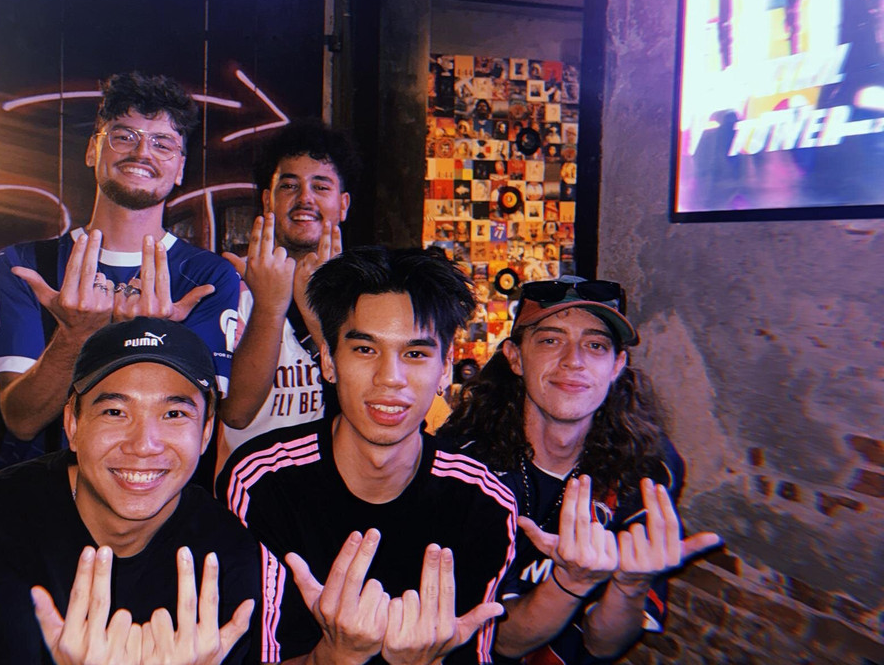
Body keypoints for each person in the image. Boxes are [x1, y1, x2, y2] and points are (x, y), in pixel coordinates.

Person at [218, 247, 517, 665]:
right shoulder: (263, 482)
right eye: (365, 350)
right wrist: (334, 656)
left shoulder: (482, 500)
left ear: (446, 366)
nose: (390, 378)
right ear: (328, 360)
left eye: (415, 354)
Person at [0, 71, 240, 469]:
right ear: (93, 150)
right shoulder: (24, 266)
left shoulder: (209, 278)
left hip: (150, 490)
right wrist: (73, 336)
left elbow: (197, 421)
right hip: (45, 494)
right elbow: (22, 421)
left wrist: (150, 338)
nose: (142, 153)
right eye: (124, 136)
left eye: (162, 143)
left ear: (180, 168)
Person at [439, 276, 720, 663]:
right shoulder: (460, 468)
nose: (574, 360)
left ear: (617, 365)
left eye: (596, 345)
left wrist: (631, 586)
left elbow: (605, 645)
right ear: (515, 357)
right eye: (550, 341)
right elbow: (500, 641)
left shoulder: (644, 470)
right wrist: (571, 582)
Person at [0, 317, 261, 664]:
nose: (143, 445)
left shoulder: (226, 550)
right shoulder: (4, 514)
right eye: (115, 412)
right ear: (73, 424)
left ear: (205, 432)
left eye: (174, 414)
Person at [216, 122, 359, 467]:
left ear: (343, 204)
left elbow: (365, 403)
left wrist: (317, 313)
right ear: (268, 200)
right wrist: (269, 306)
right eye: (290, 185)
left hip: (334, 483)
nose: (305, 198)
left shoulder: (366, 293)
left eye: (320, 186)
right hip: (249, 485)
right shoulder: (230, 287)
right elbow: (236, 414)